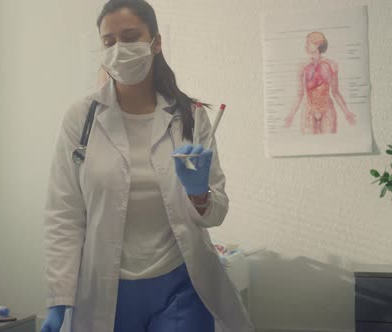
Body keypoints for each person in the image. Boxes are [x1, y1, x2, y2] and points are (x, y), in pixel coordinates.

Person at [41, 0, 254, 331]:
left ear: (155, 42)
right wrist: (59, 300)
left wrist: (199, 194)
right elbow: (64, 215)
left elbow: (216, 212)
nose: (119, 49)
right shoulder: (80, 118)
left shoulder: (191, 116)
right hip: (108, 290)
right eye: (109, 41)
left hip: (181, 283)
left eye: (130, 37)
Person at [284, 31, 357, 134]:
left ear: (317, 44)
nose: (305, 46)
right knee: (309, 146)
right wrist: (291, 115)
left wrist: (347, 112)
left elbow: (335, 92)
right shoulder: (301, 66)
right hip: (308, 109)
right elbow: (299, 94)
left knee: (329, 144)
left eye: (308, 43)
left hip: (327, 109)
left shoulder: (331, 65)